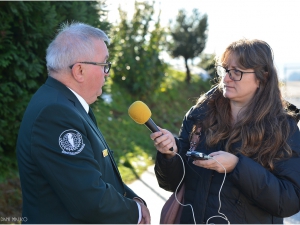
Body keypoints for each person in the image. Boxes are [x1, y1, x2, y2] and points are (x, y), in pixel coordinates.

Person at [151, 39, 300, 224]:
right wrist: (169, 155)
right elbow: (171, 183)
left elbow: (289, 201)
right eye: (226, 69)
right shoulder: (199, 116)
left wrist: (238, 167)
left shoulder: (284, 128)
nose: (226, 78)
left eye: (237, 72)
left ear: (262, 78)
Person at [16, 22, 150, 224]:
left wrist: (132, 199)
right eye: (104, 65)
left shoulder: (65, 105)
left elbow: (97, 173)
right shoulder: (55, 113)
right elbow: (89, 199)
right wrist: (136, 212)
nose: (107, 72)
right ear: (79, 71)